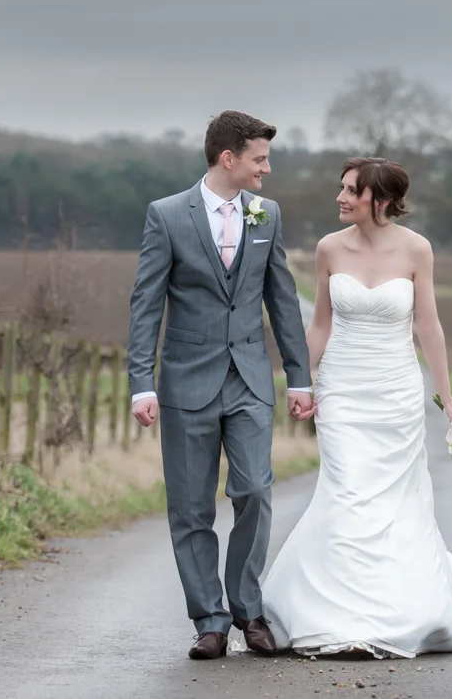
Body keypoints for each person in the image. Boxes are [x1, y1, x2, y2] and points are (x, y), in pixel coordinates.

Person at [261, 156, 452, 658]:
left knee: (393, 505)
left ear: (382, 201)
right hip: (343, 391)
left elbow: (428, 327)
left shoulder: (417, 250)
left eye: (352, 191)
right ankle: (338, 620)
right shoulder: (329, 248)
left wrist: (449, 398)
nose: (341, 198)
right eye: (342, 188)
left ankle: (392, 616)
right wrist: (301, 383)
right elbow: (320, 325)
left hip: (396, 395)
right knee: (347, 493)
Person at [126, 110, 314, 660]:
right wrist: (142, 382)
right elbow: (146, 303)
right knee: (190, 508)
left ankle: (248, 610)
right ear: (228, 159)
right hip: (186, 381)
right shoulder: (166, 216)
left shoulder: (267, 215)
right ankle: (208, 620)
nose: (267, 169)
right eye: (260, 158)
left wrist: (299, 376)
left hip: (251, 380)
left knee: (255, 489)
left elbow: (281, 298)